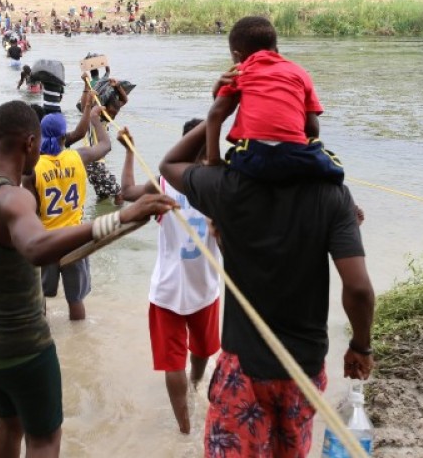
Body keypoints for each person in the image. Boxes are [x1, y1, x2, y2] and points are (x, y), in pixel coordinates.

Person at [0, 100, 175, 457]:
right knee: (44, 439)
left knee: (10, 423)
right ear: (30, 143)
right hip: (23, 346)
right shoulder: (14, 197)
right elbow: (37, 247)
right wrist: (120, 217)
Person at [160, 119, 374, 458]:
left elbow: (169, 165)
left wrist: (218, 113)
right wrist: (361, 347)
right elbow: (359, 288)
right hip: (302, 367)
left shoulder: (228, 188)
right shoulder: (333, 195)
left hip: (243, 367)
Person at [119, 121, 221, 434]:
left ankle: (184, 430)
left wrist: (129, 154)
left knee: (173, 363)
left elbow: (126, 193)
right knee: (203, 351)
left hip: (167, 291)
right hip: (206, 288)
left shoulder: (164, 182)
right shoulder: (222, 184)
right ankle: (195, 386)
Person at [206, 16, 344, 184]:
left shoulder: (239, 72)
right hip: (295, 158)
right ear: (276, 50)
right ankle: (343, 200)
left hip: (254, 159)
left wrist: (213, 160)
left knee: (234, 154)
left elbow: (215, 114)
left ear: (237, 56)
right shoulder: (299, 73)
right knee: (331, 162)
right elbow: (312, 128)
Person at [26, 110, 112, 321]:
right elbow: (105, 145)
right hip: (75, 238)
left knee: (41, 298)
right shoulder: (78, 157)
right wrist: (94, 120)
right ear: (64, 137)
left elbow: (30, 211)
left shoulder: (33, 169)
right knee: (75, 300)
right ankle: (80, 338)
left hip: (47, 241)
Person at [85, 77, 134, 201]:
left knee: (103, 196)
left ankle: (102, 217)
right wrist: (90, 99)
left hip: (95, 165)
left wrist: (117, 86)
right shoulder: (94, 118)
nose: (113, 116)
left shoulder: (103, 117)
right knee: (119, 194)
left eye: (116, 113)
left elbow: (124, 100)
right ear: (103, 109)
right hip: (95, 165)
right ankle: (120, 218)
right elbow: (88, 109)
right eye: (112, 113)